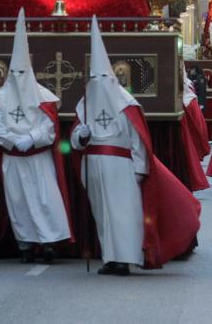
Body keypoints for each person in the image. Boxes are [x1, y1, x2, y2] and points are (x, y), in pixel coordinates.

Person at [70, 17, 201, 275]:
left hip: (121, 166)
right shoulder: (84, 104)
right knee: (103, 212)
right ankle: (109, 256)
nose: (96, 85)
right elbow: (75, 139)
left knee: (123, 212)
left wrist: (140, 168)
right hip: (94, 164)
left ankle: (126, 257)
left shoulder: (125, 103)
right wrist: (80, 136)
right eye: (92, 79)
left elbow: (138, 139)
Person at [0, 9, 73, 263]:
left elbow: (49, 128)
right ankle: (26, 245)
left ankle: (49, 244)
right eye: (14, 74)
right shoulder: (2, 98)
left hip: (38, 158)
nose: (18, 79)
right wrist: (14, 141)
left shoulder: (44, 97)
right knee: (19, 203)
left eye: (22, 74)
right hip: (14, 159)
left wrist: (31, 139)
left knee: (46, 199)